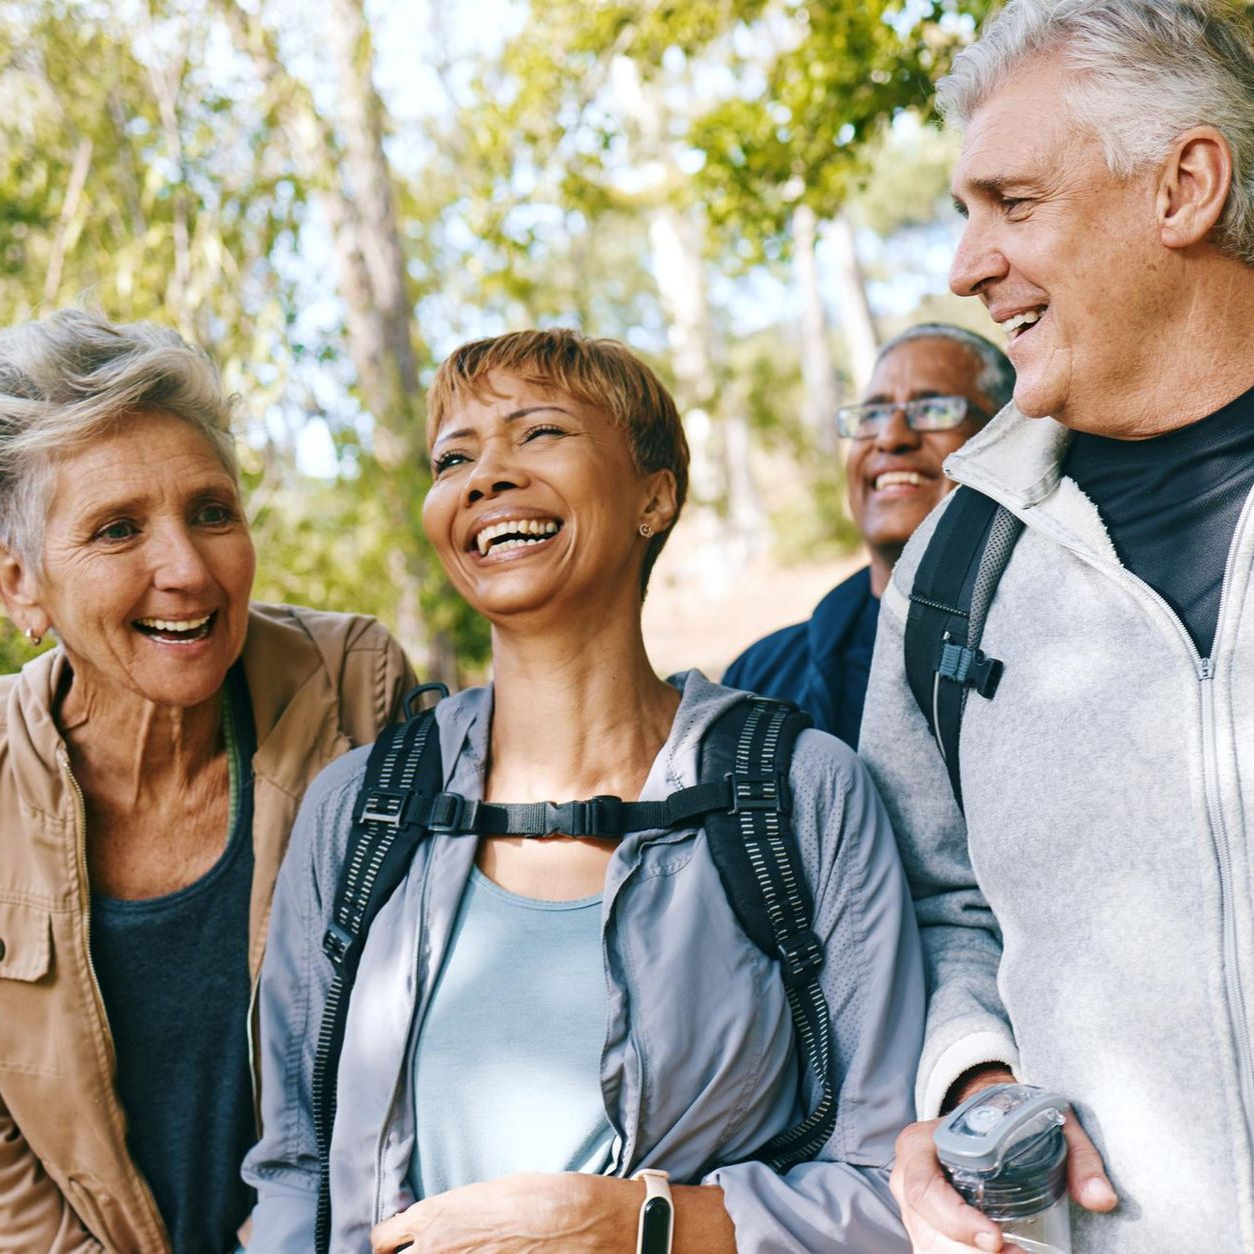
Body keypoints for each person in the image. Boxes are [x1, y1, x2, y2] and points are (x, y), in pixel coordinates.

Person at [243, 329, 925, 1252]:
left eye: (539, 434)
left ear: (655, 495)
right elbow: (293, 1175)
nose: (486, 476)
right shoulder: (363, 808)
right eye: (455, 457)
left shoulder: (798, 796)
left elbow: (890, 1191)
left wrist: (646, 1224)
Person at [856, 1, 1254, 1250]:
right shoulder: (951, 570)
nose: (967, 267)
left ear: (1184, 186)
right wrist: (973, 1081)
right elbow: (937, 901)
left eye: (1012, 205)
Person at [0, 310, 413, 1253]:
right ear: (20, 585)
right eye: (116, 530)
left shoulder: (351, 687)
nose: (187, 570)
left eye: (212, 511)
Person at [723, 325, 1012, 746]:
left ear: (1007, 440)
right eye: (872, 414)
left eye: (932, 409)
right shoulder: (758, 680)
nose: (891, 437)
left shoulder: (1062, 647)